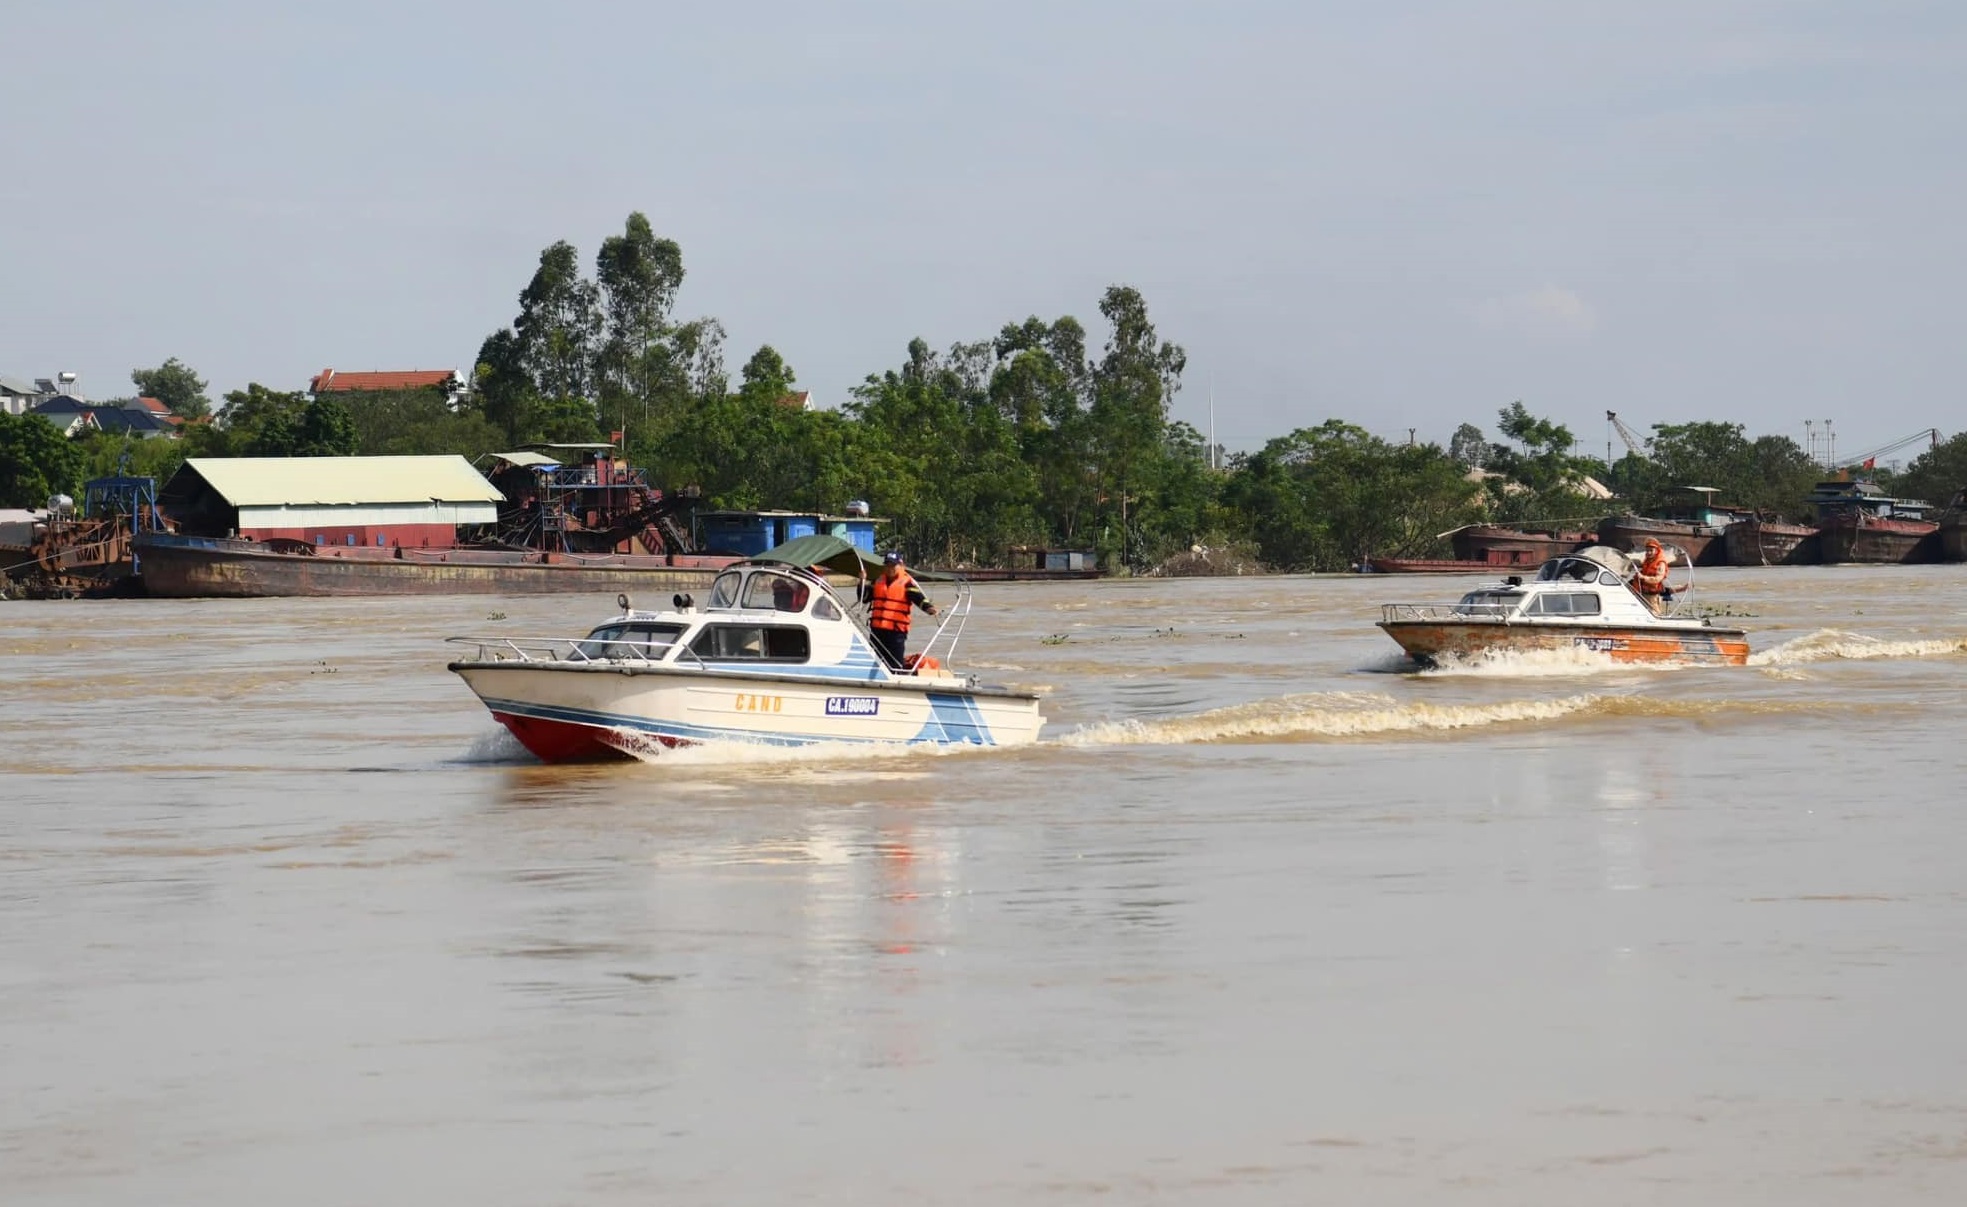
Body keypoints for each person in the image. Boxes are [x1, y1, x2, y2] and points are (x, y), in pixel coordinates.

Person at [862, 551, 937, 668]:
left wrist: (929, 608)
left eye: (893, 565)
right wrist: (861, 582)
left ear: (900, 565)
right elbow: (864, 598)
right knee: (874, 660)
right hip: (877, 630)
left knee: (895, 662)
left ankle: (898, 676)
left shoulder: (907, 583)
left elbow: (919, 598)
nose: (890, 568)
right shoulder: (877, 581)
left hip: (896, 631)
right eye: (887, 565)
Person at [1633, 538, 1672, 614]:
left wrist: (1643, 577)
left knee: (1654, 613)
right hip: (1643, 593)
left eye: (1651, 550)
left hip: (1653, 596)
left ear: (1656, 551)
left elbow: (1657, 579)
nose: (1648, 552)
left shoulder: (1661, 563)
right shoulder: (1647, 562)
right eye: (1647, 550)